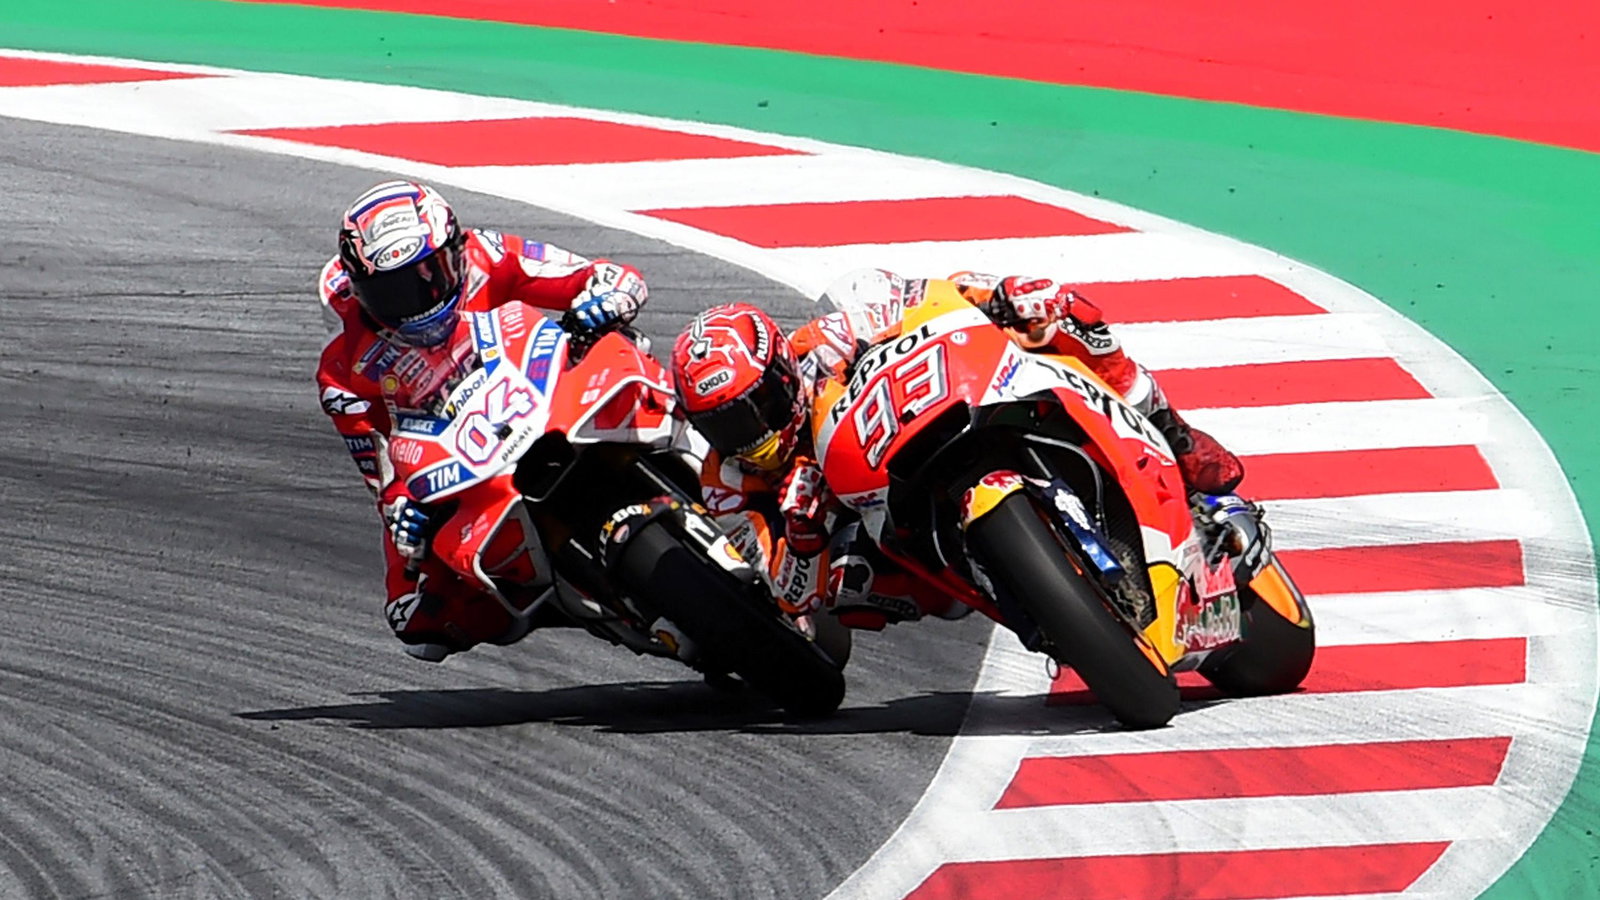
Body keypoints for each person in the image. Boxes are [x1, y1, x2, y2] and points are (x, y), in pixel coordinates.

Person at [667, 268, 1243, 630]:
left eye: (756, 408)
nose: (750, 436)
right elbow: (789, 597)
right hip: (879, 525)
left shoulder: (825, 341)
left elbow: (931, 298)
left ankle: (1175, 437)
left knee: (1065, 319)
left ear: (782, 374)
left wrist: (1000, 297)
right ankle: (1028, 599)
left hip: (925, 422)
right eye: (724, 426)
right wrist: (802, 532)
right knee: (850, 582)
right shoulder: (724, 484)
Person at [316, 180, 649, 661]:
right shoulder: (342, 369)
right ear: (359, 291)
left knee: (658, 357)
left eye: (429, 275)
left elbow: (599, 275)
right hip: (462, 457)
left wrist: (609, 298)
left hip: (550, 390)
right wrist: (402, 509)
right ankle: (544, 598)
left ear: (455, 251)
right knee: (415, 621)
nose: (417, 300)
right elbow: (382, 473)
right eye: (391, 292)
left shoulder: (486, 254)